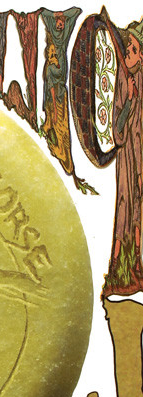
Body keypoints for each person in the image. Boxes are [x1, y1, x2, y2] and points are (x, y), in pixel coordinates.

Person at [105, 19, 143, 296]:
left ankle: (136, 265)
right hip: (128, 154)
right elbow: (117, 130)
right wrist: (129, 100)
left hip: (140, 154)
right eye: (127, 49)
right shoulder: (123, 82)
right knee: (125, 205)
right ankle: (118, 268)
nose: (129, 55)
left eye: (134, 49)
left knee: (138, 206)